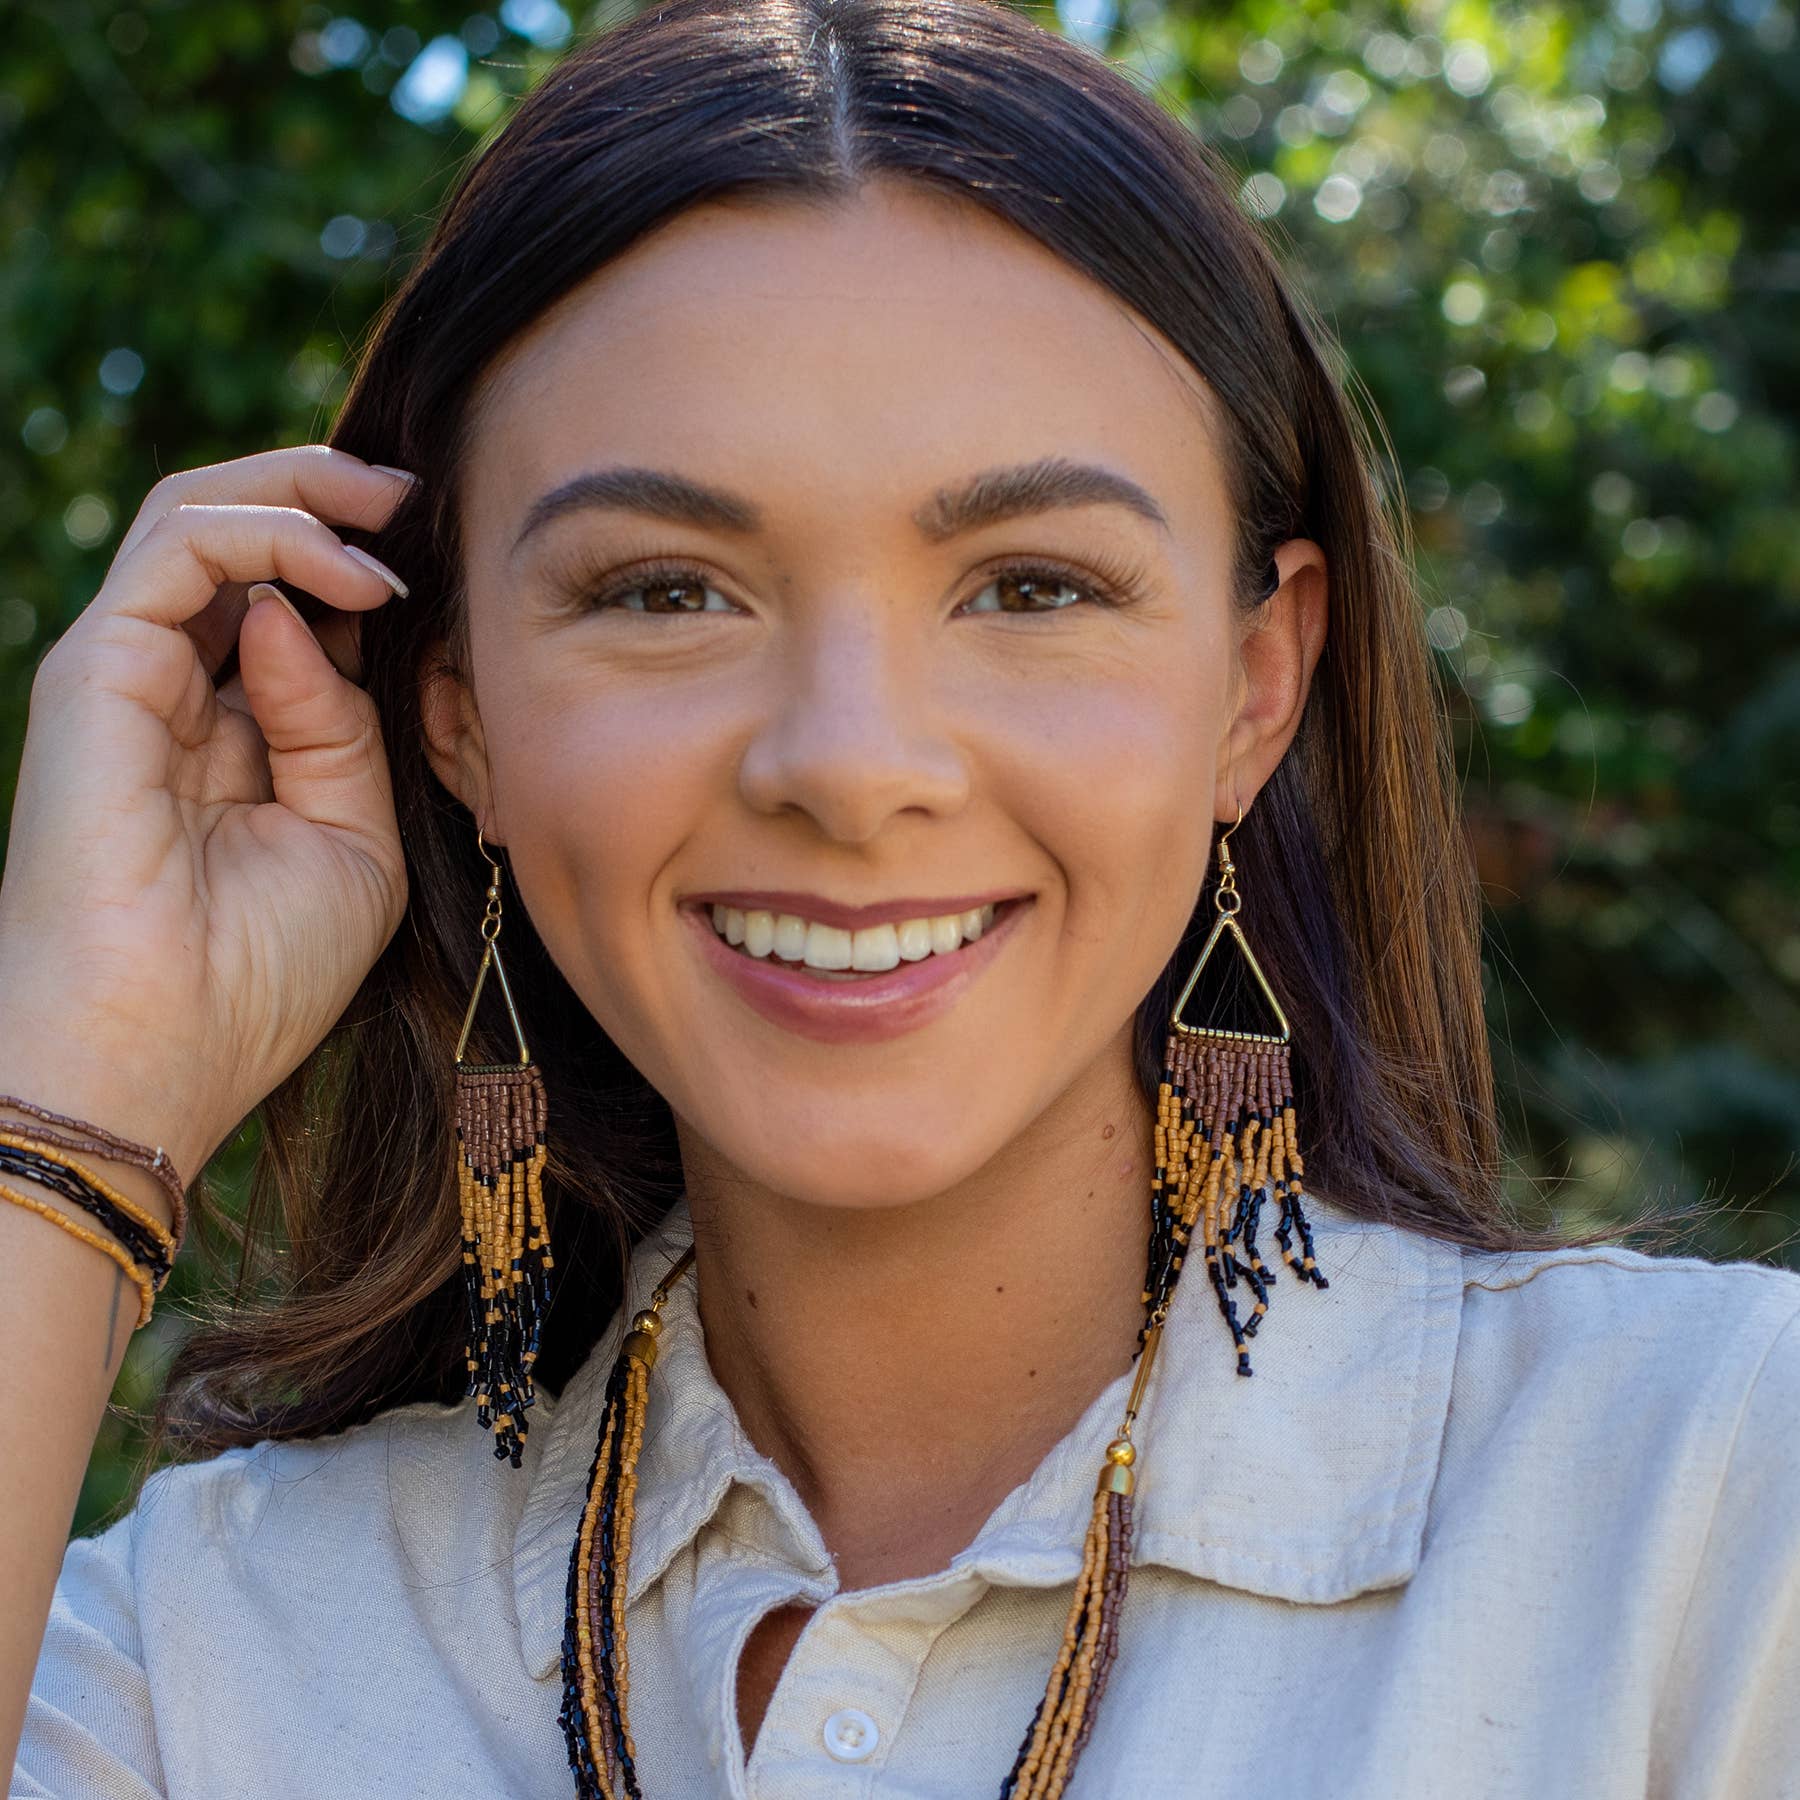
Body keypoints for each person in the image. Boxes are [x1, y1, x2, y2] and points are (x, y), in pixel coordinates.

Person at [4, 1, 1797, 1795]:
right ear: (456, 712)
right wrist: (83, 1080)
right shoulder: (208, 1646)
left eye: (1028, 588)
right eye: (665, 591)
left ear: (1256, 687)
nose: (851, 765)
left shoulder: (1715, 1504)